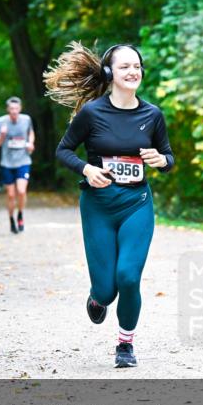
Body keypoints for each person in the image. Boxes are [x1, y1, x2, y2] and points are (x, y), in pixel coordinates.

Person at [45, 42, 174, 368]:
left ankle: (125, 345)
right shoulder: (92, 113)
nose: (133, 72)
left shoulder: (152, 115)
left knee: (128, 276)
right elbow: (64, 151)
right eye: (124, 67)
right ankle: (97, 298)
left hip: (136, 203)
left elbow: (168, 157)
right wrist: (87, 169)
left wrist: (161, 160)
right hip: (98, 207)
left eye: (137, 66)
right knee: (106, 289)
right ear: (110, 73)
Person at [0, 97, 35, 234]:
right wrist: (3, 135)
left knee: (21, 191)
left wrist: (30, 143)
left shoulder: (26, 119)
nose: (14, 111)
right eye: (11, 109)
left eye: (16, 109)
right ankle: (11, 219)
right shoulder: (1, 122)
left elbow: (31, 133)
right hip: (7, 163)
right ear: (8, 110)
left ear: (20, 109)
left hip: (23, 161)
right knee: (11, 195)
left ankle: (20, 214)